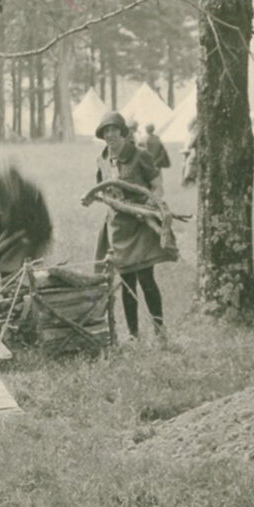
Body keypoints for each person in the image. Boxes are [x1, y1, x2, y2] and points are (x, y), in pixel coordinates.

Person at [83, 113, 175, 345]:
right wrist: (95, 197)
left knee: (146, 278)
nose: (110, 135)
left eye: (114, 130)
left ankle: (159, 331)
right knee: (126, 281)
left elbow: (157, 186)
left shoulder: (139, 156)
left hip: (140, 225)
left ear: (123, 132)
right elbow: (101, 188)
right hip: (117, 227)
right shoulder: (102, 159)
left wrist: (147, 204)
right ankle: (134, 335)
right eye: (106, 132)